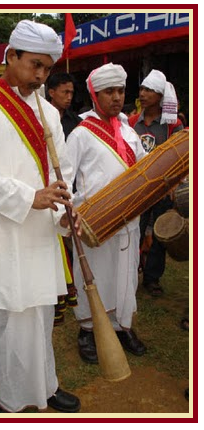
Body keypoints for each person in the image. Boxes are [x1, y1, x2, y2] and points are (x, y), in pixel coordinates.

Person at [0, 20, 82, 413]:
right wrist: (28, 197)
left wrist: (59, 208)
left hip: (38, 232)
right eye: (34, 65)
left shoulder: (48, 111)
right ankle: (9, 399)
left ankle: (45, 386)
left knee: (38, 314)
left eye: (46, 68)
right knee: (0, 319)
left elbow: (64, 170)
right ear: (11, 56)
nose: (40, 75)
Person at [66, 63, 147, 364]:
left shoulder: (129, 131)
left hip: (129, 219)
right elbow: (64, 176)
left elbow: (144, 167)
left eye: (120, 91)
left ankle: (120, 325)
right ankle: (88, 328)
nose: (116, 97)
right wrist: (75, 211)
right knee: (95, 274)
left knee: (125, 271)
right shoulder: (81, 133)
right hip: (95, 221)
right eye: (108, 92)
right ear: (94, 94)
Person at [128, 70, 184, 296]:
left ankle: (152, 279)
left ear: (160, 96)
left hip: (163, 187)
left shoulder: (173, 124)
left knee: (160, 235)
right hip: (138, 188)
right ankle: (130, 275)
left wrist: (173, 184)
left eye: (149, 90)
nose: (142, 94)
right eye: (142, 89)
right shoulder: (132, 121)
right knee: (135, 232)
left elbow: (181, 156)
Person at [46, 72, 82, 325]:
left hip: (68, 192)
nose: (69, 97)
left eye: (72, 93)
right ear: (51, 92)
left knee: (68, 250)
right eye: (64, 92)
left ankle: (66, 293)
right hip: (44, 193)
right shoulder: (38, 118)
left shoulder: (76, 123)